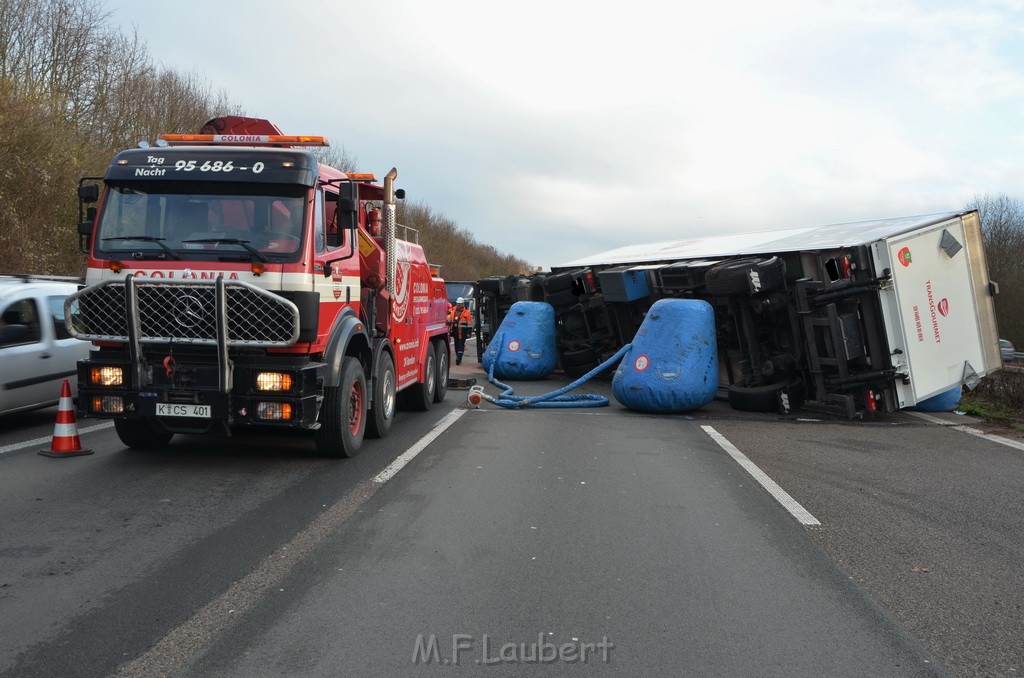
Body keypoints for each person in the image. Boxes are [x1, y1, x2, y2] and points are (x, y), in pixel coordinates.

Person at [448, 297, 472, 365]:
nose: (458, 305)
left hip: (463, 332)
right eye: (458, 303)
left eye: (460, 304)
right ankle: (457, 356)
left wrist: (468, 333)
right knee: (456, 345)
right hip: (455, 331)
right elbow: (450, 319)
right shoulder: (453, 311)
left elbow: (469, 323)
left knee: (461, 345)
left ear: (463, 304)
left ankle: (459, 358)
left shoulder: (467, 313)